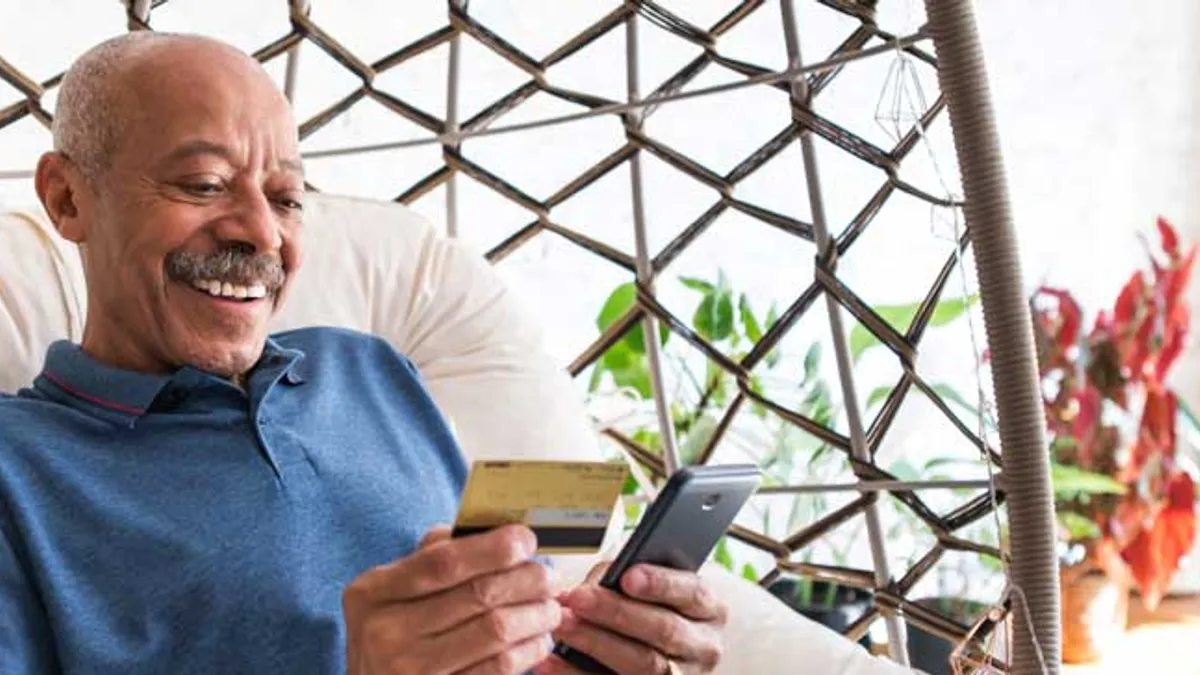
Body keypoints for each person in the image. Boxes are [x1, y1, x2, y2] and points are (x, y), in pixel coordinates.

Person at [0, 32, 728, 674]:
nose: (260, 232)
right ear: (68, 198)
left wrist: (602, 640)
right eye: (204, 184)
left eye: (286, 198)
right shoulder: (19, 469)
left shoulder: (370, 366)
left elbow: (518, 610)